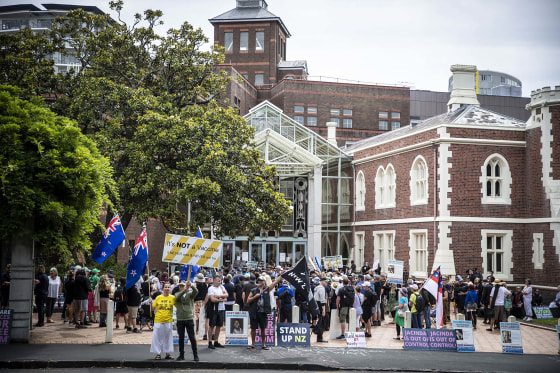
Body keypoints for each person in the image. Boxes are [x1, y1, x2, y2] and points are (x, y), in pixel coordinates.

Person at [246, 275, 282, 350]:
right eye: (259, 280)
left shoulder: (266, 289)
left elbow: (274, 283)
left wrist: (281, 277)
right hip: (254, 312)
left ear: (264, 282)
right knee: (253, 328)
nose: (260, 282)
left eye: (261, 281)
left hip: (263, 312)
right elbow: (248, 300)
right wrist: (255, 297)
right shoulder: (253, 290)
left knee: (263, 329)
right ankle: (252, 344)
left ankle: (263, 344)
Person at [150, 282, 176, 360]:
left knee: (167, 337)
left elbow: (178, 306)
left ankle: (167, 353)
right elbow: (152, 309)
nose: (167, 289)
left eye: (168, 287)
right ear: (163, 288)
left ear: (170, 289)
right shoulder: (158, 297)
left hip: (168, 320)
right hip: (158, 320)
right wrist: (151, 302)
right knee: (157, 337)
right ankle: (158, 353)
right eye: (166, 287)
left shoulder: (173, 298)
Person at [175, 280, 199, 361]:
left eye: (183, 286)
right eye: (181, 286)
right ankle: (181, 355)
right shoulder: (177, 294)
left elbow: (196, 291)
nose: (182, 287)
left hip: (189, 318)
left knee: (192, 337)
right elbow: (177, 297)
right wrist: (183, 291)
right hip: (180, 318)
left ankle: (195, 355)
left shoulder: (190, 294)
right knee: (181, 337)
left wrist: (191, 286)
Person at [207, 275, 228, 349]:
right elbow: (212, 299)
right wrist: (222, 299)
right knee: (212, 325)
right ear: (214, 281)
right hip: (213, 309)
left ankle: (216, 341)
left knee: (219, 325)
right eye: (218, 281)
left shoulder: (222, 287)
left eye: (220, 281)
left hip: (221, 309)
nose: (220, 282)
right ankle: (210, 341)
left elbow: (226, 295)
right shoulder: (211, 288)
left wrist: (218, 296)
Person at [313, 277, 328, 343]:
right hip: (320, 305)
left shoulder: (316, 288)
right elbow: (322, 300)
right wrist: (324, 310)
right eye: (326, 281)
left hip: (316, 305)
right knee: (321, 322)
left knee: (319, 321)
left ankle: (319, 336)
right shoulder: (321, 289)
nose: (327, 283)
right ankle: (319, 337)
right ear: (322, 281)